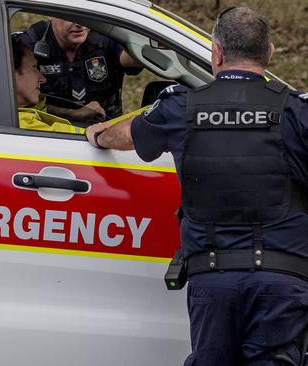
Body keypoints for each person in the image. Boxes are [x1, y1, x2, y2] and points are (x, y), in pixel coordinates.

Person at [86, 7, 308, 366]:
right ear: (269, 54)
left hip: (213, 280)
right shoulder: (297, 113)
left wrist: (97, 135)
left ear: (216, 53)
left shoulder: (181, 108)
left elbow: (126, 135)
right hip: (282, 284)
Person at [19, 17, 142, 125]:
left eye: (85, 15)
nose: (80, 23)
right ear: (50, 15)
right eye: (70, 15)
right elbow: (16, 104)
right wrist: (73, 114)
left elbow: (134, 59)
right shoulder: (27, 46)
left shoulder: (105, 35)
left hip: (107, 130)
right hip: (50, 134)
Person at [12, 35, 84, 134]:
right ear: (11, 74)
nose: (43, 79)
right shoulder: (25, 127)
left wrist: (73, 113)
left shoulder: (10, 116)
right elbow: (91, 136)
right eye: (34, 68)